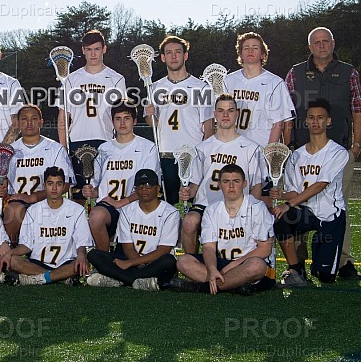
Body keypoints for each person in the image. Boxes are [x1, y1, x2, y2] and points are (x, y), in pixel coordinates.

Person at [284, 26, 361, 280]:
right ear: (310, 47)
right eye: (316, 42)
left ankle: (343, 262)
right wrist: (287, 146)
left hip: (336, 153)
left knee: (338, 205)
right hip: (301, 152)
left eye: (325, 41)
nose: (321, 46)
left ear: (333, 43)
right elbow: (286, 113)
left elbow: (358, 109)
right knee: (299, 201)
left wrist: (356, 145)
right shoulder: (295, 73)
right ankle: (297, 261)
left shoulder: (348, 72)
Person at [272, 99, 350, 286]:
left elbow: (320, 185)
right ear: (306, 122)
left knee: (324, 275)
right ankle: (296, 269)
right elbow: (294, 192)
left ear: (328, 121)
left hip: (330, 216)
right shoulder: (296, 156)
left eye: (320, 118)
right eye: (311, 118)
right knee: (281, 219)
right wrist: (281, 196)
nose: (316, 122)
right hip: (306, 212)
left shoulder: (337, 152)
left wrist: (289, 203)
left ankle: (322, 261)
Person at [180, 94, 266, 254]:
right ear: (215, 115)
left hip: (237, 205)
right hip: (206, 204)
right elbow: (194, 186)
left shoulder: (251, 148)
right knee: (189, 222)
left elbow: (256, 186)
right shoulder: (202, 148)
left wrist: (251, 209)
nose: (225, 115)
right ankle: (192, 266)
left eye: (230, 111)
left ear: (237, 114)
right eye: (221, 111)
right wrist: (187, 192)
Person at [173, 164, 276, 295]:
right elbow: (209, 247)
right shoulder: (211, 210)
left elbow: (265, 249)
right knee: (183, 261)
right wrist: (212, 269)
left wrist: (230, 267)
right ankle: (235, 285)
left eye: (236, 181)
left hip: (247, 262)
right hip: (222, 261)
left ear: (244, 184)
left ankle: (203, 288)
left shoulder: (257, 207)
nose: (231, 186)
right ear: (219, 185)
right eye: (226, 181)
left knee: (256, 266)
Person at [144, 36, 215, 205]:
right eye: (169, 53)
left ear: (186, 56)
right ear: (163, 58)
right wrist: (149, 114)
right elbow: (152, 123)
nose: (173, 56)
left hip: (192, 155)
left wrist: (203, 157)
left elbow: (209, 126)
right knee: (170, 205)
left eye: (178, 52)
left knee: (192, 205)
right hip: (166, 154)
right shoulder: (154, 87)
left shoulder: (201, 87)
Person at [57, 30, 127, 202]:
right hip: (77, 140)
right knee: (78, 196)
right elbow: (63, 117)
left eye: (96, 49)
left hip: (106, 141)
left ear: (104, 49)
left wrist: (121, 146)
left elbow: (122, 116)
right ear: (83, 50)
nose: (93, 53)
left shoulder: (116, 79)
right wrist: (64, 148)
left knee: (104, 194)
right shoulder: (71, 80)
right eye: (89, 49)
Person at [84, 100, 161, 251]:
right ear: (112, 121)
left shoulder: (147, 148)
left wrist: (121, 203)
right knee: (95, 216)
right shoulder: (103, 149)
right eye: (118, 119)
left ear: (135, 121)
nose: (122, 123)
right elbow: (99, 187)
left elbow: (149, 188)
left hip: (135, 206)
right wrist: (90, 192)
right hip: (108, 208)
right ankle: (105, 261)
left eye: (127, 118)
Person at [0, 167, 92, 285]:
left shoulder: (77, 210)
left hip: (66, 262)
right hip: (38, 262)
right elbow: (26, 246)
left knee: (81, 263)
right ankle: (61, 278)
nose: (54, 188)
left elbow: (81, 243)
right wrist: (9, 253)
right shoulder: (33, 210)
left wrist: (82, 256)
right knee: (13, 261)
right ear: (44, 185)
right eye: (50, 184)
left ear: (63, 187)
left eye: (59, 184)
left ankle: (38, 278)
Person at [0, 105, 75, 244]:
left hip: (47, 200)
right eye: (24, 119)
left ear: (41, 122)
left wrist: (33, 197)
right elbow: (1, 183)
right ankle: (9, 252)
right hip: (18, 202)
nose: (29, 123)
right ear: (17, 123)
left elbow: (66, 183)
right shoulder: (9, 151)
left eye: (34, 119)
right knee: (13, 210)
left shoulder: (55, 149)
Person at [87, 169, 179, 290]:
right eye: (140, 186)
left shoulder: (170, 213)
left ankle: (121, 279)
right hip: (131, 259)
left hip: (154, 263)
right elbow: (127, 246)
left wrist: (130, 264)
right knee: (94, 255)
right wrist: (135, 263)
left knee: (169, 261)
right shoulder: (127, 211)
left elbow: (163, 250)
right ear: (135, 189)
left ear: (158, 188)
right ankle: (138, 281)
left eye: (148, 185)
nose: (144, 189)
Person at [224, 32, 295, 144]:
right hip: (233, 149)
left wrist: (269, 152)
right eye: (246, 48)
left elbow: (280, 123)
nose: (250, 51)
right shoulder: (228, 81)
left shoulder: (275, 83)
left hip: (261, 147)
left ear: (263, 54)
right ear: (240, 54)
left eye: (255, 48)